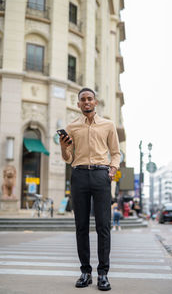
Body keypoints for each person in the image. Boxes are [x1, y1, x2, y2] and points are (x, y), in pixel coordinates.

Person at [59, 87, 120, 291]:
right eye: (83, 99)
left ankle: (103, 274)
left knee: (103, 226)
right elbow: (68, 158)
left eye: (90, 99)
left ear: (95, 102)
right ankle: (85, 272)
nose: (86, 102)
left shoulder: (108, 125)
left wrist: (113, 168)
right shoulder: (72, 126)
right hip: (79, 174)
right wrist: (62, 145)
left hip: (102, 175)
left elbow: (116, 152)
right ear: (78, 104)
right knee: (81, 226)